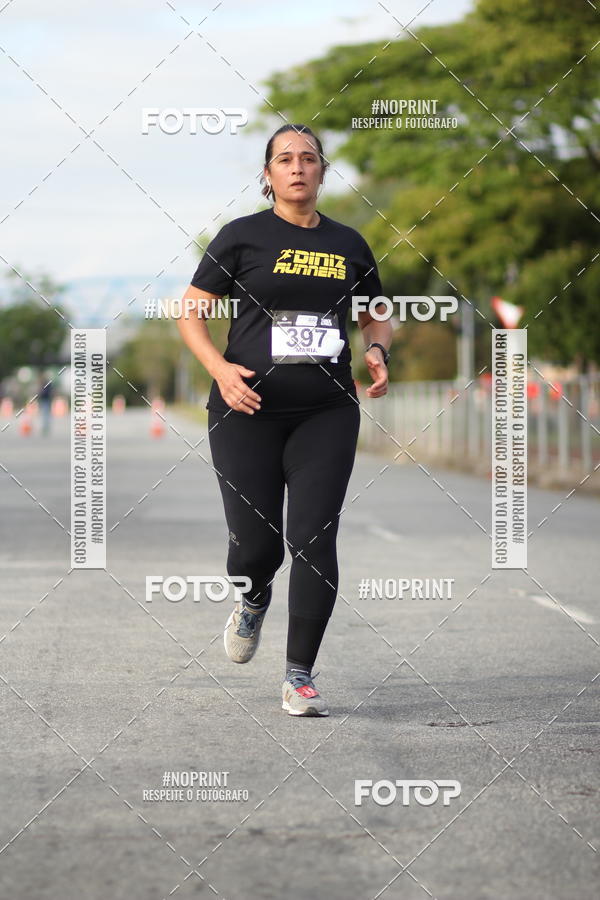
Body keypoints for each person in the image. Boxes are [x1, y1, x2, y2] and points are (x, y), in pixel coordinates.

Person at [177, 123, 392, 716]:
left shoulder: (350, 243)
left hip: (325, 411)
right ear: (267, 175)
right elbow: (190, 315)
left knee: (314, 538)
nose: (297, 167)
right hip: (247, 410)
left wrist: (377, 351)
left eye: (308, 158)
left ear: (323, 171)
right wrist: (220, 370)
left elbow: (376, 315)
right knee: (254, 548)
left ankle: (299, 675)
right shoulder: (241, 237)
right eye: (284, 159)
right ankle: (252, 600)